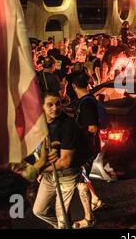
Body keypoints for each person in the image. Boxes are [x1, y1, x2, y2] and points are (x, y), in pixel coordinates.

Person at [32, 92, 82, 229]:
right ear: (41, 106)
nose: (55, 108)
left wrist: (37, 170)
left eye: (58, 104)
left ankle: (63, 225)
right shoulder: (41, 123)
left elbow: (65, 162)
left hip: (66, 175)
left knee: (62, 217)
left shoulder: (68, 125)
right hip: (49, 174)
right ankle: (65, 226)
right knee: (39, 210)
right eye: (50, 105)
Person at [71, 72, 103, 228]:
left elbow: (92, 127)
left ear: (74, 86)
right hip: (87, 147)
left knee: (80, 179)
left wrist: (76, 132)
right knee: (81, 176)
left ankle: (89, 218)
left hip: (88, 148)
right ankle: (95, 199)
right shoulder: (84, 101)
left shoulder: (87, 102)